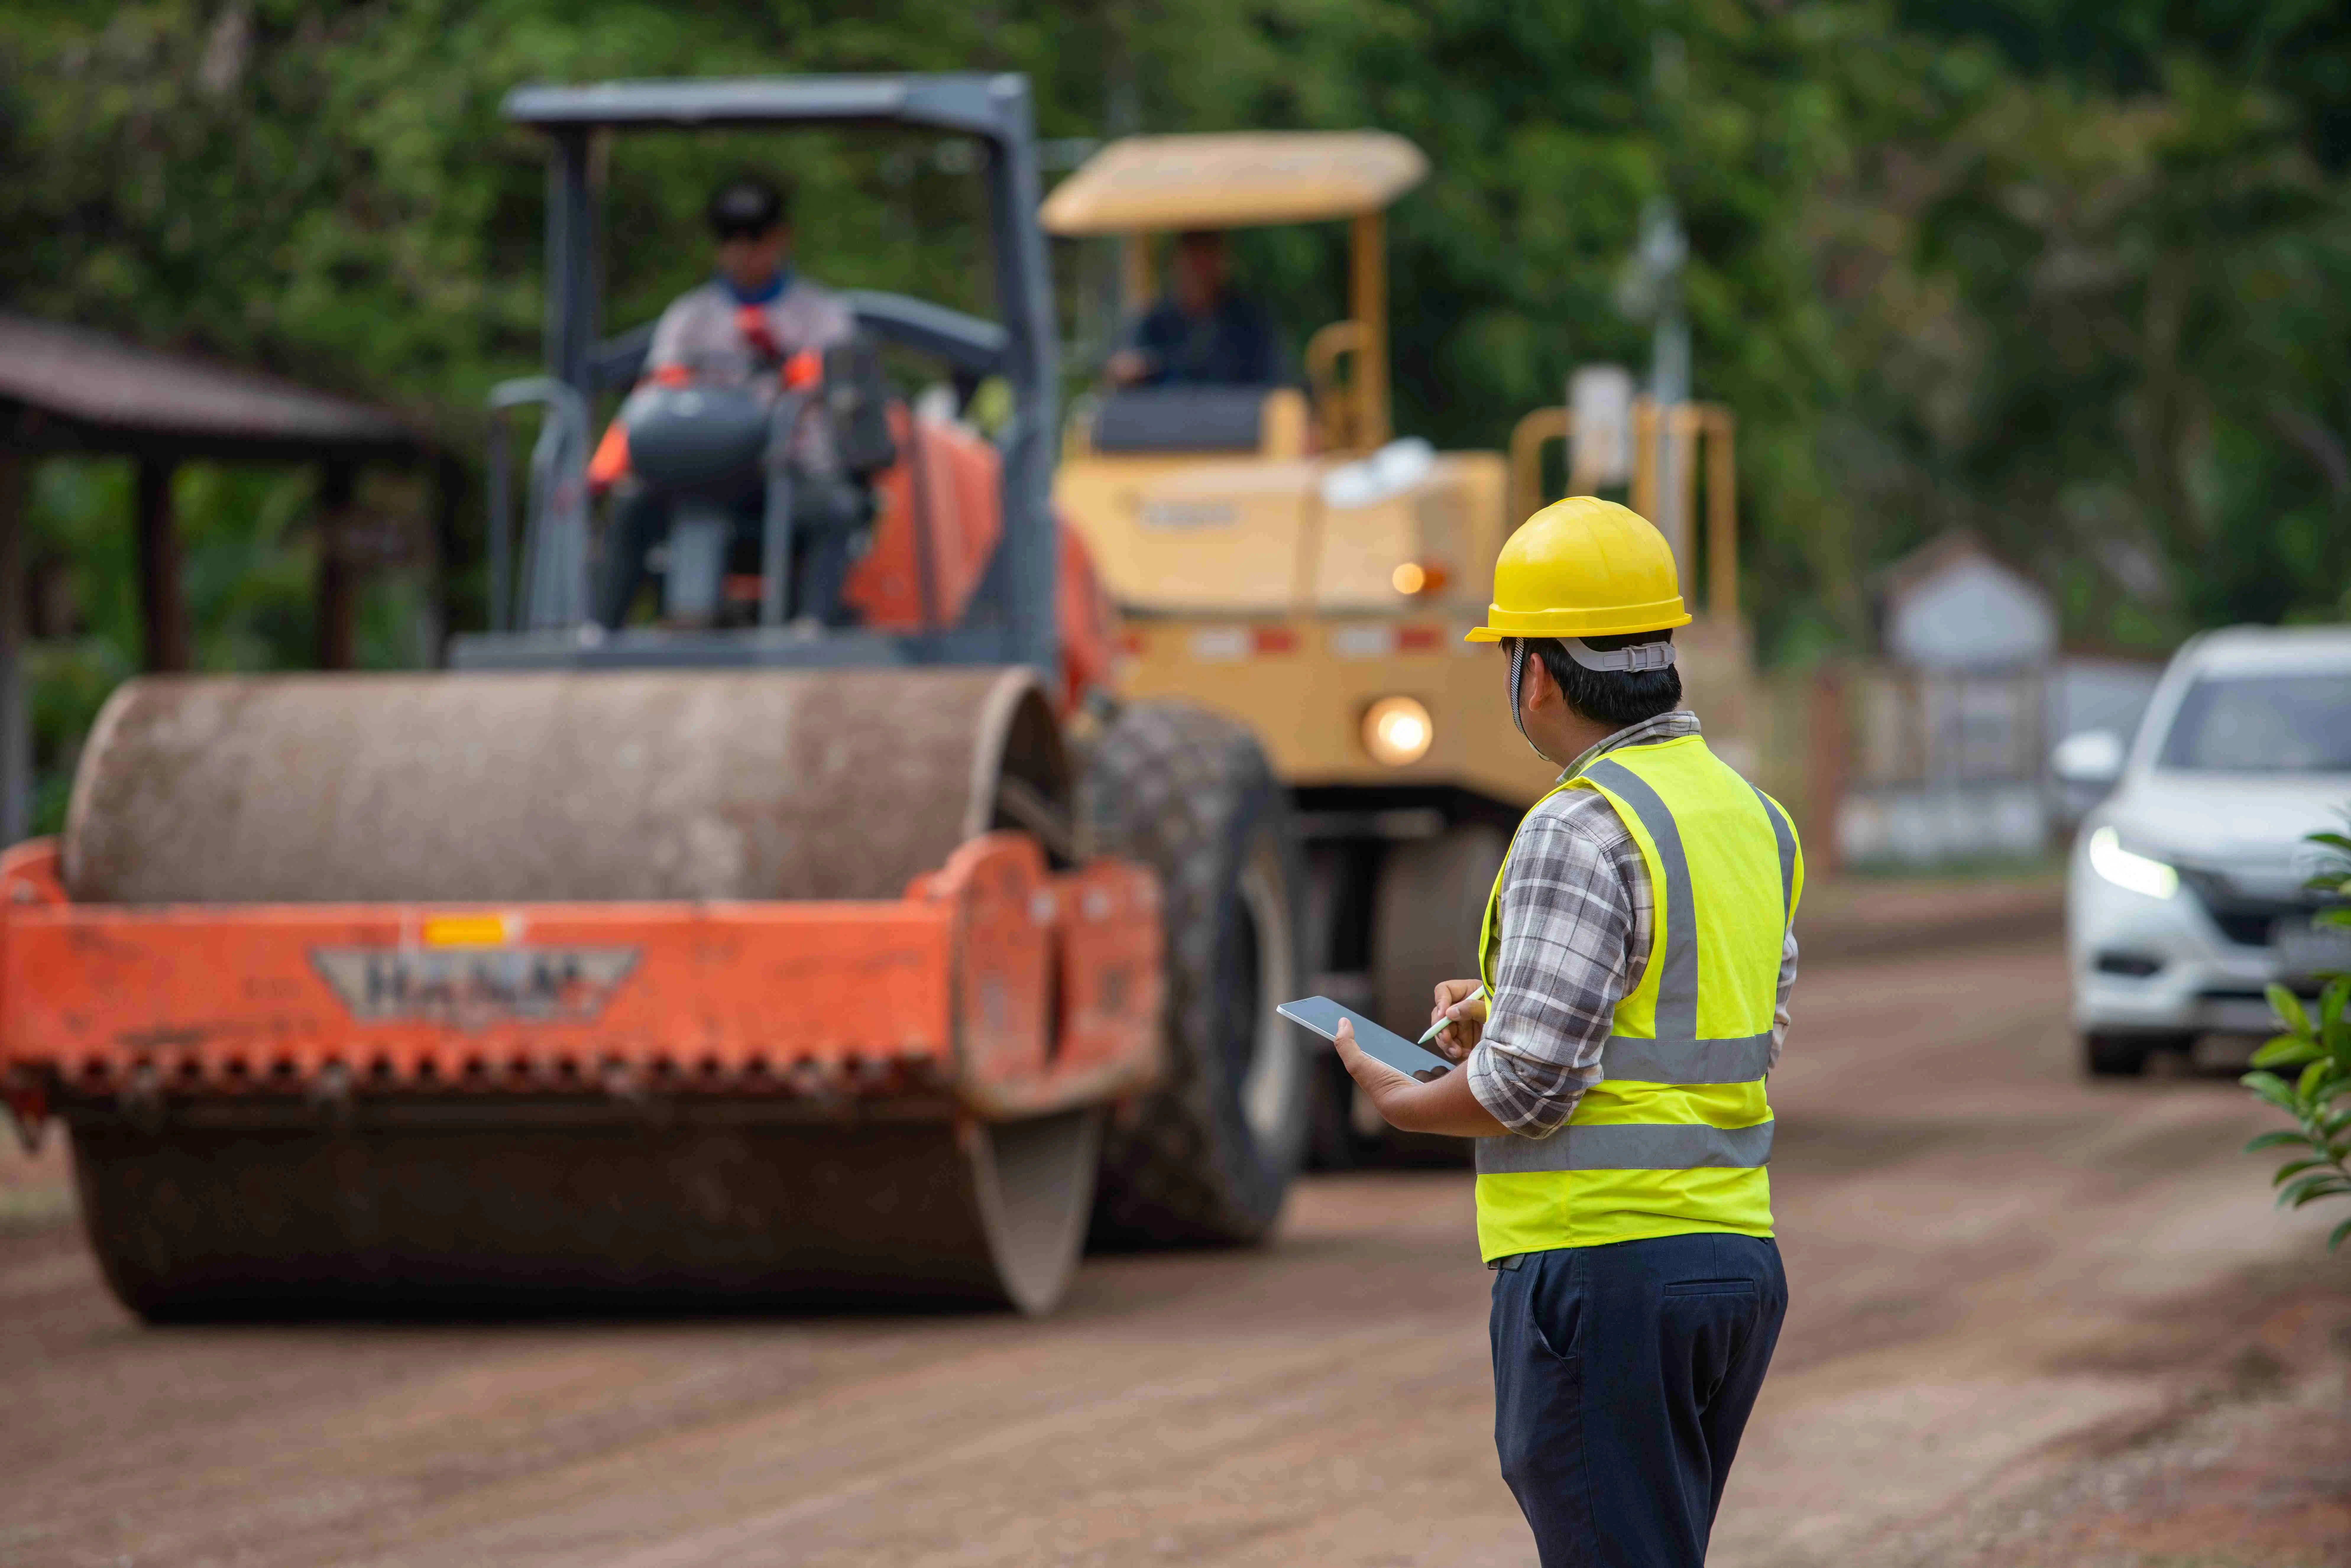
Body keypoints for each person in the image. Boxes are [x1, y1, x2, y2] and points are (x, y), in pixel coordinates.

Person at [1324, 496, 1800, 1568]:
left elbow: (1524, 1089)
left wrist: (1397, 1096)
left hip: (1599, 1268)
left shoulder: (1574, 822)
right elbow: (1720, 1022)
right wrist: (1514, 1006)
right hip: (1727, 1265)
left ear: (1533, 671)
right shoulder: (1747, 816)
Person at [591, 174, 857, 629]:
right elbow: (661, 392)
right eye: (730, 238)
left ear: (780, 238)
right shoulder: (690, 318)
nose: (743, 251)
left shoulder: (822, 316)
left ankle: (812, 627)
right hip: (696, 476)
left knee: (836, 509)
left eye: (755, 237)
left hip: (783, 473)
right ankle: (598, 635)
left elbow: (836, 389)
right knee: (631, 510)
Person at [1105, 229, 1280, 388]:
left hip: (1234, 419)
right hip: (1165, 419)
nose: (1199, 271)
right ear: (1177, 264)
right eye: (1192, 259)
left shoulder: (1248, 323)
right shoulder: (1154, 324)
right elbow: (1121, 369)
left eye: (1206, 258)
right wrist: (1127, 371)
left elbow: (1275, 381)